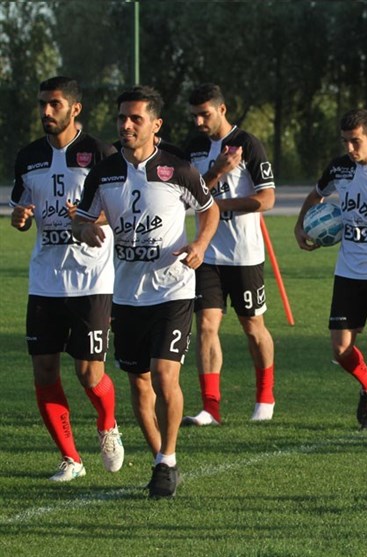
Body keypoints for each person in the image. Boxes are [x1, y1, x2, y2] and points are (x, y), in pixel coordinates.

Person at [73, 86, 219, 498]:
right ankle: (160, 460)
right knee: (139, 384)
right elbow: (81, 220)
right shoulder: (104, 172)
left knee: (164, 373)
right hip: (126, 294)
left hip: (173, 290)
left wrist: (200, 244)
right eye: (122, 117)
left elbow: (209, 209)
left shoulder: (178, 168)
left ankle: (168, 457)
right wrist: (85, 230)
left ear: (156, 125)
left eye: (136, 118)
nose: (126, 125)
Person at [9, 76, 124, 482]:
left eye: (54, 104)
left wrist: (91, 220)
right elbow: (22, 211)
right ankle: (71, 458)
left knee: (89, 374)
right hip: (45, 281)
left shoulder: (102, 154)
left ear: (75, 109)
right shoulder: (28, 157)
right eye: (42, 103)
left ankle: (107, 424)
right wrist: (20, 217)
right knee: (44, 371)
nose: (46, 111)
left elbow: (120, 207)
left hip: (92, 280)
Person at [294, 109, 367, 430]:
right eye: (345, 141)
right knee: (341, 349)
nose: (350, 148)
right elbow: (315, 195)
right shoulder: (339, 167)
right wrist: (301, 226)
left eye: (355, 141)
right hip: (348, 269)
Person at [181, 83, 277, 426]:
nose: (199, 122)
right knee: (206, 326)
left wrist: (218, 206)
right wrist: (217, 172)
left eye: (204, 114)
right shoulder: (192, 148)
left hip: (244, 255)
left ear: (222, 109)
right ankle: (211, 407)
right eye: (194, 115)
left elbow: (267, 199)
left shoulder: (248, 144)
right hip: (206, 253)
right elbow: (186, 196)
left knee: (252, 327)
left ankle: (265, 396)